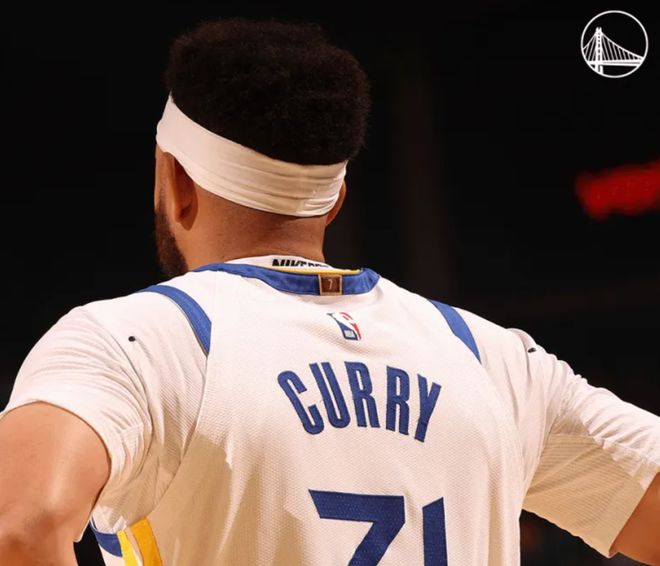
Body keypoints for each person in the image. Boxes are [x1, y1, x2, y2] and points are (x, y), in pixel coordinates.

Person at [0, 17, 658, 566]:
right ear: (335, 201)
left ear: (175, 182)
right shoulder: (491, 359)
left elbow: (20, 528)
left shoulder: (134, 343)